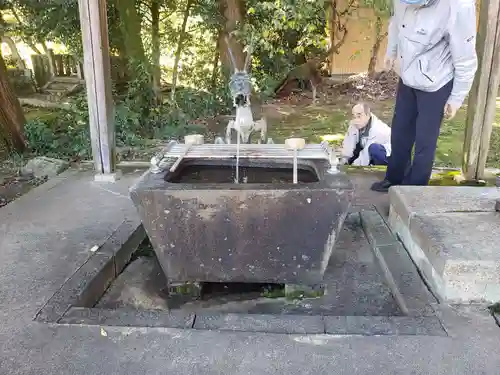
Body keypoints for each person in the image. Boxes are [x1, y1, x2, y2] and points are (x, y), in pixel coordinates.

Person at [370, 0, 478, 192]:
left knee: (424, 142)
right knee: (400, 133)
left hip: (436, 82)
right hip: (408, 76)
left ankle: (414, 192)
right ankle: (394, 179)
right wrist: (391, 51)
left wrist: (456, 98)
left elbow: (466, 59)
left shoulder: (458, 6)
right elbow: (396, 24)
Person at [340, 103, 392, 167]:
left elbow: (366, 153)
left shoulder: (378, 129)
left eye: (359, 116)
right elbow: (349, 143)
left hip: (388, 154)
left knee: (373, 149)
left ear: (368, 115)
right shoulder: (354, 124)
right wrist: (344, 161)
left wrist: (354, 166)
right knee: (353, 154)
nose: (356, 120)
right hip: (366, 147)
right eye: (354, 116)